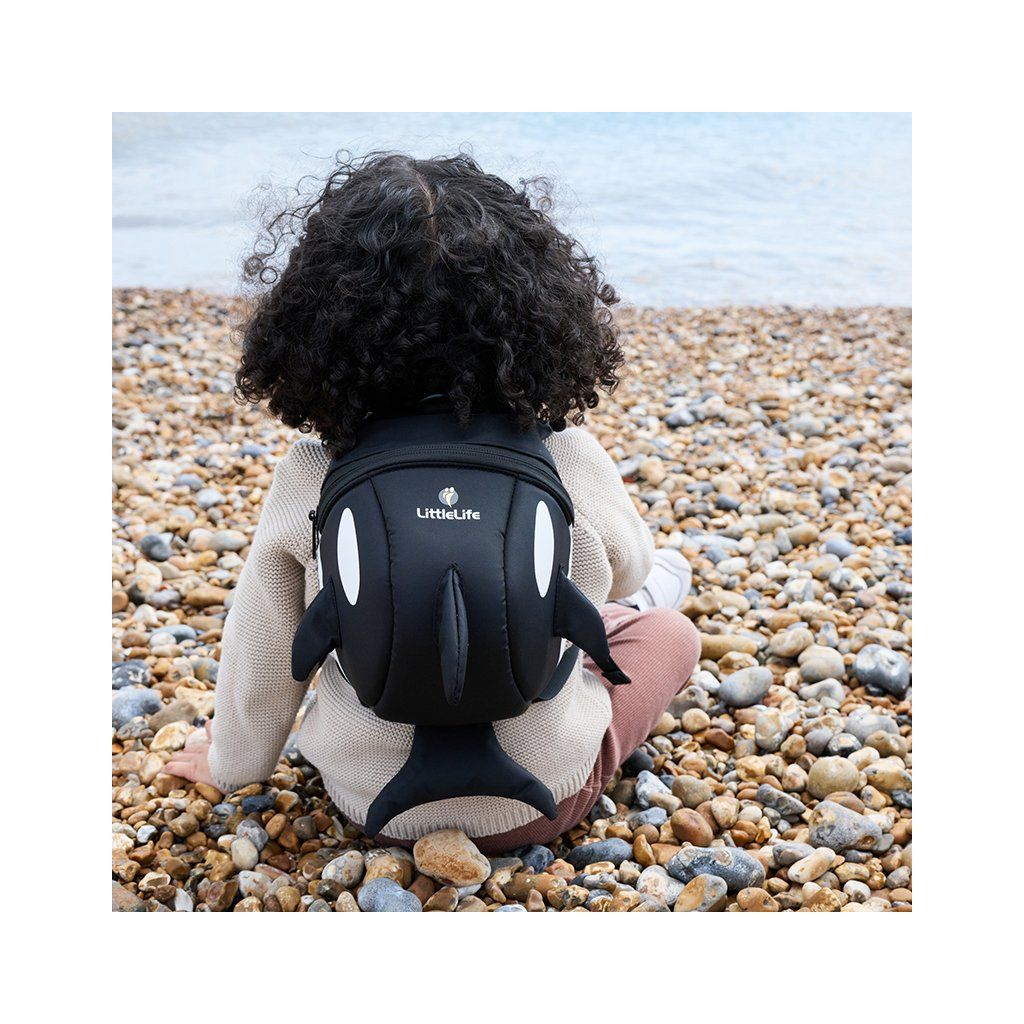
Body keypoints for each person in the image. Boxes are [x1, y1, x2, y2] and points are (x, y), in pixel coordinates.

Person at [165, 153, 701, 852]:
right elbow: (628, 566)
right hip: (541, 800)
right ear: (542, 312)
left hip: (371, 802)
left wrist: (233, 765)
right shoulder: (566, 455)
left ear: (316, 321)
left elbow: (262, 650)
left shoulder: (312, 473)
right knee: (666, 630)